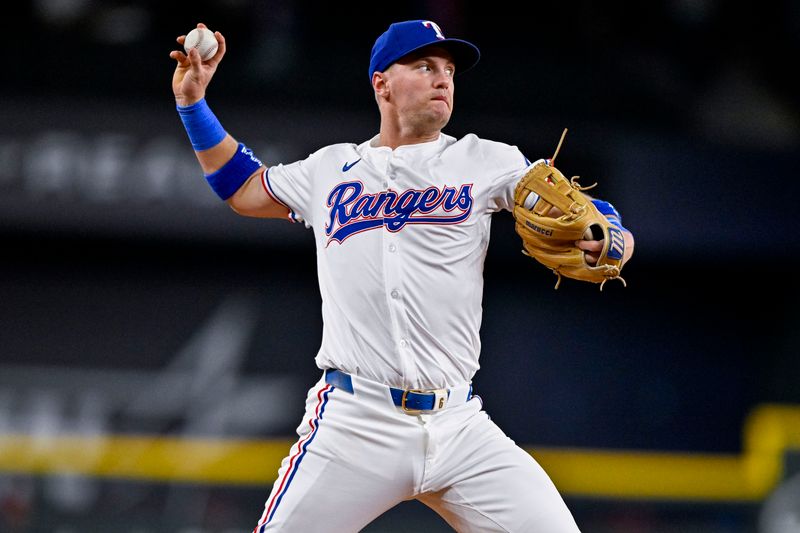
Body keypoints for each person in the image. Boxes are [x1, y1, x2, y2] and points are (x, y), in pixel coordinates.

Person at [170, 19, 634, 533]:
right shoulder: (330, 169)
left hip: (460, 426)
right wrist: (193, 105)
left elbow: (594, 215)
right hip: (355, 421)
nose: (443, 80)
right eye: (425, 66)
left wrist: (610, 236)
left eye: (450, 71)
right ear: (381, 83)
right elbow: (242, 186)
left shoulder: (484, 159)